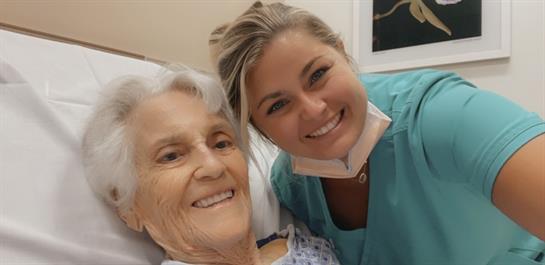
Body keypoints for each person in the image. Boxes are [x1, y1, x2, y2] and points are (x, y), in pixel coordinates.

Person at [211, 2, 545, 264]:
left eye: (317, 75)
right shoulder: (293, 188)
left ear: (342, 53)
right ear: (257, 127)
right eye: (278, 105)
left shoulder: (439, 115)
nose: (313, 110)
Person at [81, 66, 341, 265]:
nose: (213, 166)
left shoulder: (308, 247)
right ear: (128, 208)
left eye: (221, 143)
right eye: (171, 156)